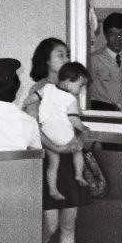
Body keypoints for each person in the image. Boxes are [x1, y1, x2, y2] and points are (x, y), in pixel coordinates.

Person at [23, 38, 92, 243]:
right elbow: (34, 127)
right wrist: (58, 148)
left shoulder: (70, 88)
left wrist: (79, 139)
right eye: (59, 55)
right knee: (49, 225)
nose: (65, 59)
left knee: (69, 223)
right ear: (47, 61)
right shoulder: (39, 88)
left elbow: (74, 122)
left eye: (67, 54)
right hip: (48, 159)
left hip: (68, 158)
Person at [38, 62, 91, 202]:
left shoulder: (47, 88)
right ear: (71, 81)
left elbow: (34, 97)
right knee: (77, 150)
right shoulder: (70, 99)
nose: (80, 90)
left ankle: (53, 189)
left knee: (53, 163)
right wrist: (84, 129)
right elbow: (73, 119)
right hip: (64, 136)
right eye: (80, 85)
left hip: (47, 133)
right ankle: (79, 174)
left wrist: (25, 102)